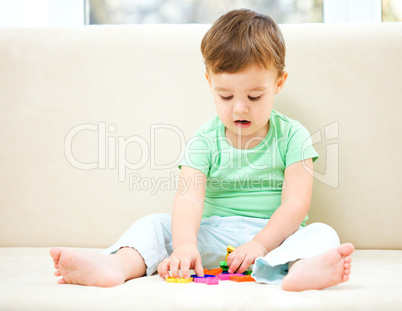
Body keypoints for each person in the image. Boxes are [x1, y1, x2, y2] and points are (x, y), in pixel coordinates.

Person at [50, 8, 354, 291]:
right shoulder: (204, 140)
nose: (239, 108)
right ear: (209, 82)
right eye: (225, 96)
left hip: (277, 238)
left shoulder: (293, 136)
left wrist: (261, 244)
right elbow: (189, 198)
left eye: (254, 96)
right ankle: (117, 265)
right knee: (155, 225)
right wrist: (184, 246)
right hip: (214, 236)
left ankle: (301, 268)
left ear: (279, 82)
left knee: (323, 232)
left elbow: (295, 204)